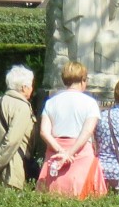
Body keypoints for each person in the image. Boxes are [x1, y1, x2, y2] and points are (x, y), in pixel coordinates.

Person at [38, 61, 107, 198]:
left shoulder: (51, 102)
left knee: (52, 198)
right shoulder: (90, 103)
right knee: (83, 199)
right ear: (83, 80)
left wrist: (61, 151)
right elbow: (87, 132)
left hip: (55, 155)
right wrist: (70, 153)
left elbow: (44, 132)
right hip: (81, 155)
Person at [0, 65, 37, 189]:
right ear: (24, 87)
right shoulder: (22, 107)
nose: (32, 88)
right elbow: (12, 141)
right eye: (31, 85)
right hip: (13, 173)